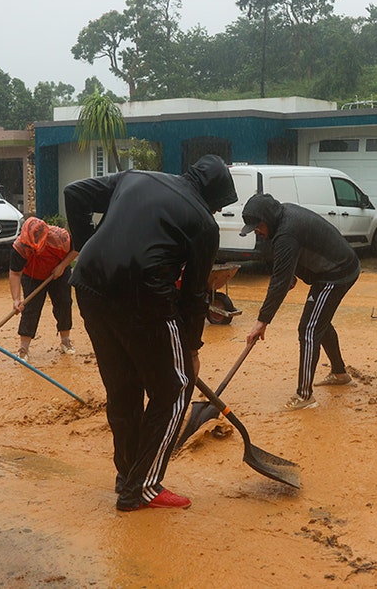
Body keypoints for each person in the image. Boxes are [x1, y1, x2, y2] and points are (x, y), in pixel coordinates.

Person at [64, 154, 236, 512]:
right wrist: (191, 352)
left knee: (123, 386)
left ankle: (128, 475)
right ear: (215, 196)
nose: (217, 212)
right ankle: (142, 487)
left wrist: (87, 245)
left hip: (88, 284)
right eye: (219, 206)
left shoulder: (136, 177)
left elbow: (75, 193)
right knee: (175, 387)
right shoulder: (204, 224)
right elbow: (194, 296)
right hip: (143, 295)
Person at [242, 193, 361, 411]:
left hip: (337, 273)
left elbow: (278, 284)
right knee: (318, 321)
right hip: (330, 269)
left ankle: (304, 396)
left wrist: (262, 321)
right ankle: (340, 373)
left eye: (257, 227)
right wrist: (291, 273)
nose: (256, 232)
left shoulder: (287, 232)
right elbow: (283, 264)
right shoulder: (281, 218)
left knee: (308, 329)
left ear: (266, 220)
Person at [8, 217, 75, 362]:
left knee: (64, 303)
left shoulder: (60, 237)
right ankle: (23, 349)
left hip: (57, 272)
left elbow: (76, 250)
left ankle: (65, 341)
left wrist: (62, 266)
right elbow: (15, 273)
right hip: (32, 275)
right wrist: (16, 299)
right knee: (30, 308)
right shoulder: (19, 248)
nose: (31, 249)